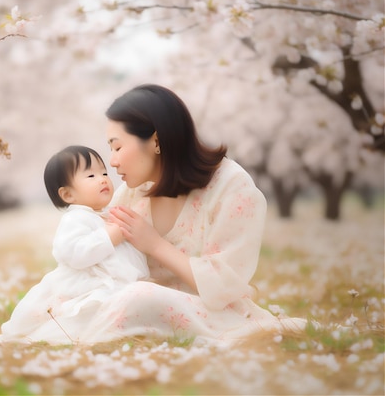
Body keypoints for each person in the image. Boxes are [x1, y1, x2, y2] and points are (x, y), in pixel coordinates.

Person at [75, 83, 307, 344]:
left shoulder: (231, 187)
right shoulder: (131, 194)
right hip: (136, 307)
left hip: (209, 313)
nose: (112, 161)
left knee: (138, 298)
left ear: (155, 141)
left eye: (117, 147)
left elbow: (224, 287)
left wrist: (155, 244)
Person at [0, 145, 149, 344]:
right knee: (76, 321)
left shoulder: (107, 216)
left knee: (112, 314)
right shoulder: (76, 219)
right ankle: (29, 339)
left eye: (104, 172)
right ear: (68, 195)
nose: (103, 179)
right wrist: (109, 237)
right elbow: (73, 253)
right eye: (90, 176)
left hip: (112, 285)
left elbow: (127, 255)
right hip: (86, 288)